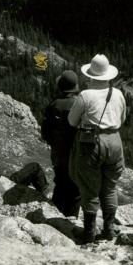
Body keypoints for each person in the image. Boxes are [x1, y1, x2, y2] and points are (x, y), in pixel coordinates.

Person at [68, 54, 127, 244]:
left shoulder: (86, 95)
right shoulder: (117, 93)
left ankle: (89, 233)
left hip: (92, 142)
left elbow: (71, 121)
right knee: (110, 187)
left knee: (89, 186)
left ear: (91, 76)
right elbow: (123, 119)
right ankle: (108, 230)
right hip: (115, 140)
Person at [41, 70, 82, 217]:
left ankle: (55, 218)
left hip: (59, 154)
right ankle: (71, 221)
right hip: (76, 155)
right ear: (75, 86)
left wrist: (54, 142)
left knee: (60, 185)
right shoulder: (80, 103)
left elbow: (45, 132)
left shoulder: (54, 105)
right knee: (76, 190)